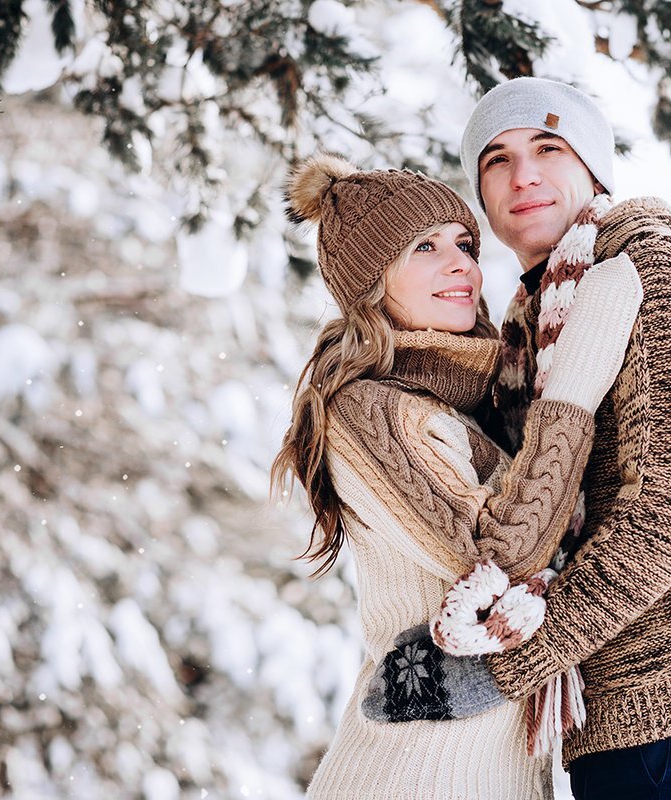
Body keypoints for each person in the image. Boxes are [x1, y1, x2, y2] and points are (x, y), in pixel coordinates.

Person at [370, 76, 671, 800]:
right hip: (616, 735)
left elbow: (670, 520)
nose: (522, 174)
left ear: (593, 166)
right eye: (495, 159)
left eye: (547, 147)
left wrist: (495, 668)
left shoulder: (648, 275)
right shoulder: (535, 319)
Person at [270, 153, 641, 800]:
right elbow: (504, 560)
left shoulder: (474, 407)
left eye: (465, 244)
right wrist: (579, 377)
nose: (461, 265)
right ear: (370, 283)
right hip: (411, 779)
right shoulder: (367, 410)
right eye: (423, 247)